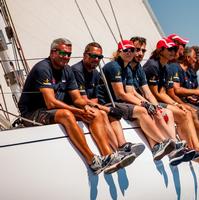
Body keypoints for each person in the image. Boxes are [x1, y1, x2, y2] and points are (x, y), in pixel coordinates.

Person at [18, 38, 135, 175]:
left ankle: (108, 156)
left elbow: (78, 99)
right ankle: (92, 161)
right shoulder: (43, 68)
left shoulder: (67, 70)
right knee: (66, 114)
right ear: (53, 52)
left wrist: (90, 107)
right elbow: (51, 102)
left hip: (52, 111)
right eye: (63, 53)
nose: (66, 57)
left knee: (95, 113)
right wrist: (78, 111)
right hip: (32, 113)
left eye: (69, 54)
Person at [143, 38, 199, 165]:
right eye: (170, 49)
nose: (174, 51)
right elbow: (154, 93)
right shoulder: (153, 66)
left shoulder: (164, 67)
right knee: (184, 114)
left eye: (175, 49)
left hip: (158, 99)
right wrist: (173, 105)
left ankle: (198, 148)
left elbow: (161, 92)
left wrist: (177, 105)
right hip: (148, 101)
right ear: (161, 51)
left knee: (186, 112)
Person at [98, 39, 176, 161]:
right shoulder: (114, 67)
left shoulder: (127, 68)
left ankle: (166, 144)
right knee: (142, 111)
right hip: (108, 103)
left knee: (150, 110)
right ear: (119, 52)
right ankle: (165, 143)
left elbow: (130, 92)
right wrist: (144, 103)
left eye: (132, 50)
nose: (129, 52)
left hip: (119, 102)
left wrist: (148, 104)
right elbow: (120, 94)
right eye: (126, 50)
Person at [71, 42, 145, 159]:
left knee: (111, 115)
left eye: (99, 57)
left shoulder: (95, 73)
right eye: (93, 56)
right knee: (104, 114)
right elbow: (81, 100)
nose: (96, 59)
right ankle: (115, 151)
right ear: (85, 55)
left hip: (88, 105)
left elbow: (94, 99)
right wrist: (106, 108)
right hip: (75, 105)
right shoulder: (77, 70)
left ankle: (122, 146)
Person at [129, 36, 196, 165]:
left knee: (166, 113)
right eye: (136, 50)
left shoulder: (140, 68)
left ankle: (177, 148)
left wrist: (155, 105)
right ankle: (172, 147)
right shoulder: (150, 66)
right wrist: (148, 104)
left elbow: (148, 92)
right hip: (130, 103)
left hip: (141, 100)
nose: (140, 53)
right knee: (156, 113)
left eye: (143, 51)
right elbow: (129, 93)